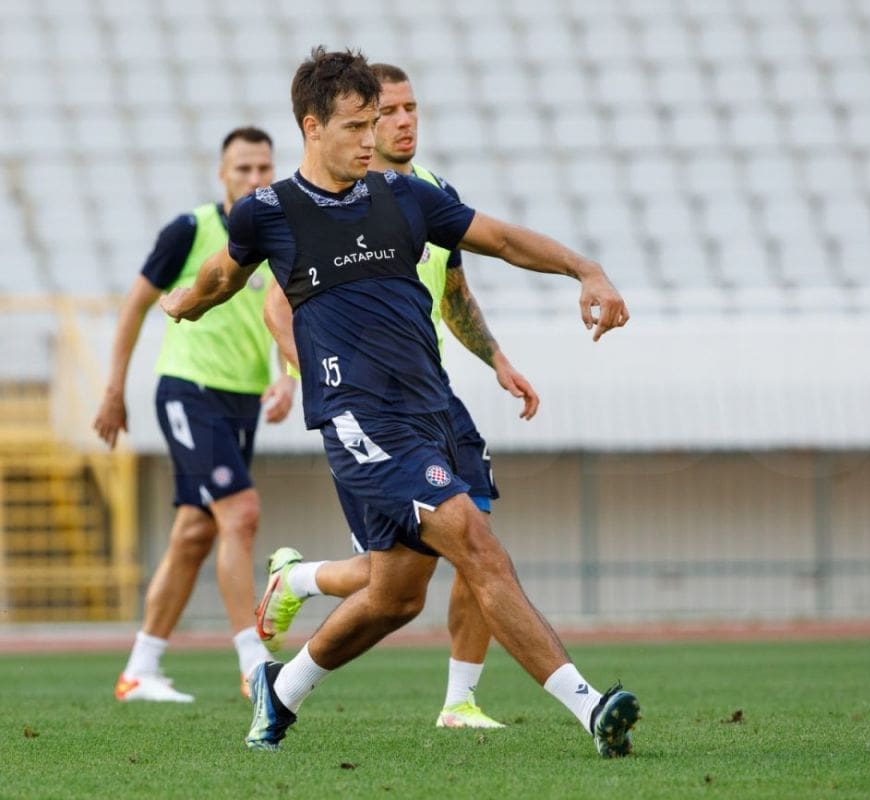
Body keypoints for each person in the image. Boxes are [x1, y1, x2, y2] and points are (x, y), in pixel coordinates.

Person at [159, 47, 639, 757]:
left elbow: (502, 240)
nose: (371, 138)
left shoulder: (405, 196)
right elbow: (221, 277)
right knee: (477, 542)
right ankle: (591, 707)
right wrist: (184, 304)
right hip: (360, 418)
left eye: (375, 122)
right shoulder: (271, 211)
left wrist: (585, 269)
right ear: (312, 126)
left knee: (395, 597)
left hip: (431, 409)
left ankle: (278, 693)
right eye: (356, 126)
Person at [255, 62, 540, 730]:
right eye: (387, 112)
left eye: (413, 108)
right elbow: (278, 305)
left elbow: (455, 293)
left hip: (433, 395)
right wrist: (312, 375)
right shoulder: (325, 205)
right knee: (394, 578)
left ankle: (460, 701)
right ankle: (297, 581)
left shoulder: (430, 194)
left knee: (475, 540)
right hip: (366, 408)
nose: (404, 122)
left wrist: (498, 359)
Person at [95, 127, 298, 701]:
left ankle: (140, 670)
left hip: (241, 400)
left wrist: (285, 378)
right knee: (241, 513)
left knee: (194, 532)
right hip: (189, 391)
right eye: (243, 169)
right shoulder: (190, 229)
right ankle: (253, 662)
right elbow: (135, 305)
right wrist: (114, 389)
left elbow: (282, 311)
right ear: (222, 174)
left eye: (264, 168)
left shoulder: (279, 236)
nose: (254, 179)